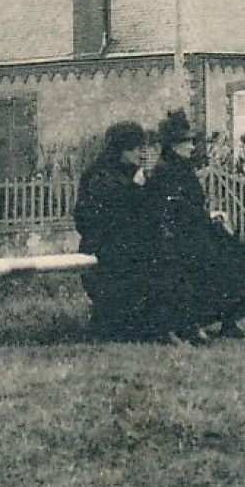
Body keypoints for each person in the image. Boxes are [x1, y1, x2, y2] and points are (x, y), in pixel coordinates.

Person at [148, 109, 245, 341]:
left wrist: (213, 216)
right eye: (186, 142)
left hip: (195, 228)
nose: (192, 147)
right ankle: (204, 321)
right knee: (211, 257)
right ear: (172, 145)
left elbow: (194, 204)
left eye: (192, 141)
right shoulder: (164, 171)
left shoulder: (183, 169)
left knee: (237, 249)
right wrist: (203, 219)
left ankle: (243, 311)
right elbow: (170, 209)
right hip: (174, 234)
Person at [74, 121, 176, 341]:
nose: (142, 152)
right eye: (136, 147)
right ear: (121, 149)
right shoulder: (99, 176)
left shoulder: (133, 173)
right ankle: (156, 327)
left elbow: (150, 212)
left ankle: (171, 324)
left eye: (143, 147)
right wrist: (135, 189)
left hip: (129, 243)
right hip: (103, 246)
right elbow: (95, 220)